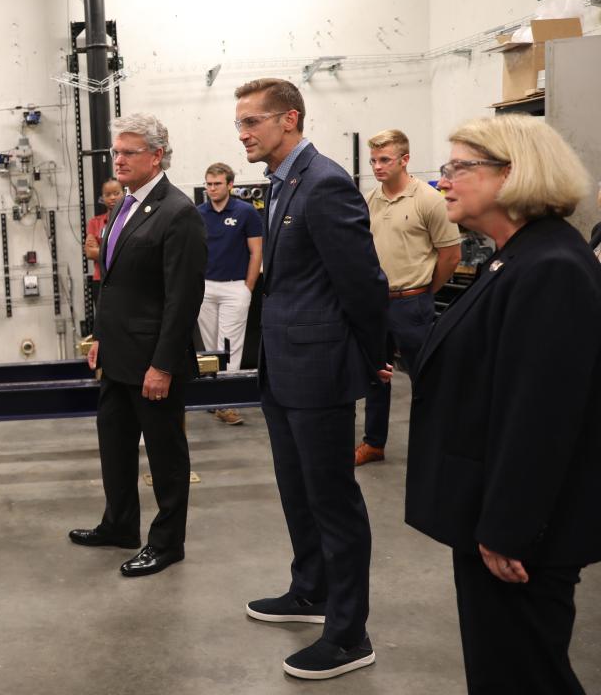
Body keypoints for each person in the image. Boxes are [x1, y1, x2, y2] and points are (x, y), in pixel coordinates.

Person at [405, 115, 601, 695]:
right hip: (495, 518)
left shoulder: (551, 269)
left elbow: (540, 418)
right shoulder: (513, 257)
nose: (445, 182)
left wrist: (507, 528)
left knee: (524, 674)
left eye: (460, 167)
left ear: (513, 174)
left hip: (520, 534)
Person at [233, 78, 387, 679]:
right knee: (297, 491)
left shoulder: (324, 184)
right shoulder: (279, 185)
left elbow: (363, 282)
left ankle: (349, 634)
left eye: (252, 122)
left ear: (289, 120)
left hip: (318, 371)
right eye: (241, 123)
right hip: (282, 367)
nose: (243, 134)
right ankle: (311, 589)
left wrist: (371, 356)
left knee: (333, 501)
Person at [70, 113, 207, 578]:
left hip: (153, 362)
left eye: (129, 152)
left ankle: (167, 543)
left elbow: (183, 297)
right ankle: (120, 524)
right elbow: (114, 286)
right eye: (117, 151)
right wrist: (100, 341)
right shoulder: (122, 207)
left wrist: (163, 365)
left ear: (156, 155)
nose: (119, 160)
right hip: (117, 357)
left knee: (166, 456)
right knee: (114, 445)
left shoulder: (178, 212)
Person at [356, 129, 460, 465]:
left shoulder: (429, 201)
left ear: (405, 159)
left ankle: (434, 444)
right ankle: (373, 443)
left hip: (413, 303)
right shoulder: (369, 201)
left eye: (385, 159)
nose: (377, 166)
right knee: (376, 375)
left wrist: (426, 290)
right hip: (375, 303)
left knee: (425, 377)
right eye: (373, 160)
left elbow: (451, 255)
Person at [196, 161, 263, 425]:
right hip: (206, 287)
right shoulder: (198, 213)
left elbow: (256, 251)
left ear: (230, 185)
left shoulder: (246, 212)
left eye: (217, 184)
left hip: (236, 287)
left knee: (230, 345)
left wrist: (248, 286)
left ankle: (228, 401)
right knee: (211, 347)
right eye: (209, 184)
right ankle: (214, 398)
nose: (212, 188)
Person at [85, 177, 124, 314]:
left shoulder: (131, 220)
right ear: (102, 197)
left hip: (124, 279)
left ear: (124, 193)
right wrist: (120, 251)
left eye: (116, 193)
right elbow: (90, 253)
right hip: (101, 280)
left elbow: (132, 252)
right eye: (108, 195)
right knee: (104, 323)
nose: (112, 198)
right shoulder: (95, 223)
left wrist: (100, 250)